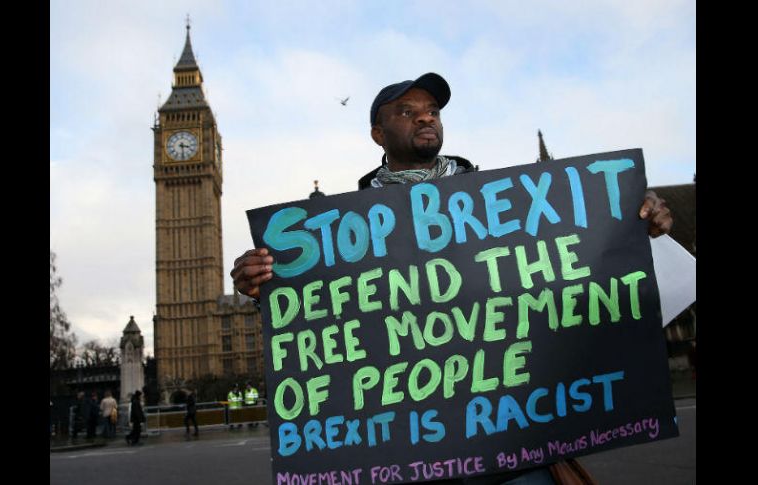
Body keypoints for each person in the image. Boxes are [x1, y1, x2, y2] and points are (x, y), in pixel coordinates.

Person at [230, 73, 673, 484]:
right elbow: (325, 316)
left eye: (432, 111)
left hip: (515, 446)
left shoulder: (506, 205)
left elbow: (577, 266)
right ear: (377, 135)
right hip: (410, 455)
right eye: (406, 111)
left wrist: (635, 219)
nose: (425, 116)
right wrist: (263, 284)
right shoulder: (338, 231)